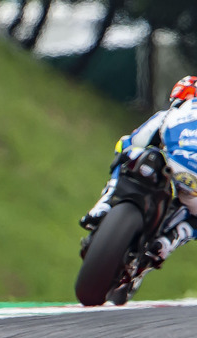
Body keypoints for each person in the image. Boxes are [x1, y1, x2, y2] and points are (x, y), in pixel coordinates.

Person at [80, 75, 197, 266]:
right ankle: (169, 241)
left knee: (128, 151)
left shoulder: (171, 114)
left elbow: (134, 141)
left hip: (167, 165)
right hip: (192, 187)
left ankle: (105, 203)